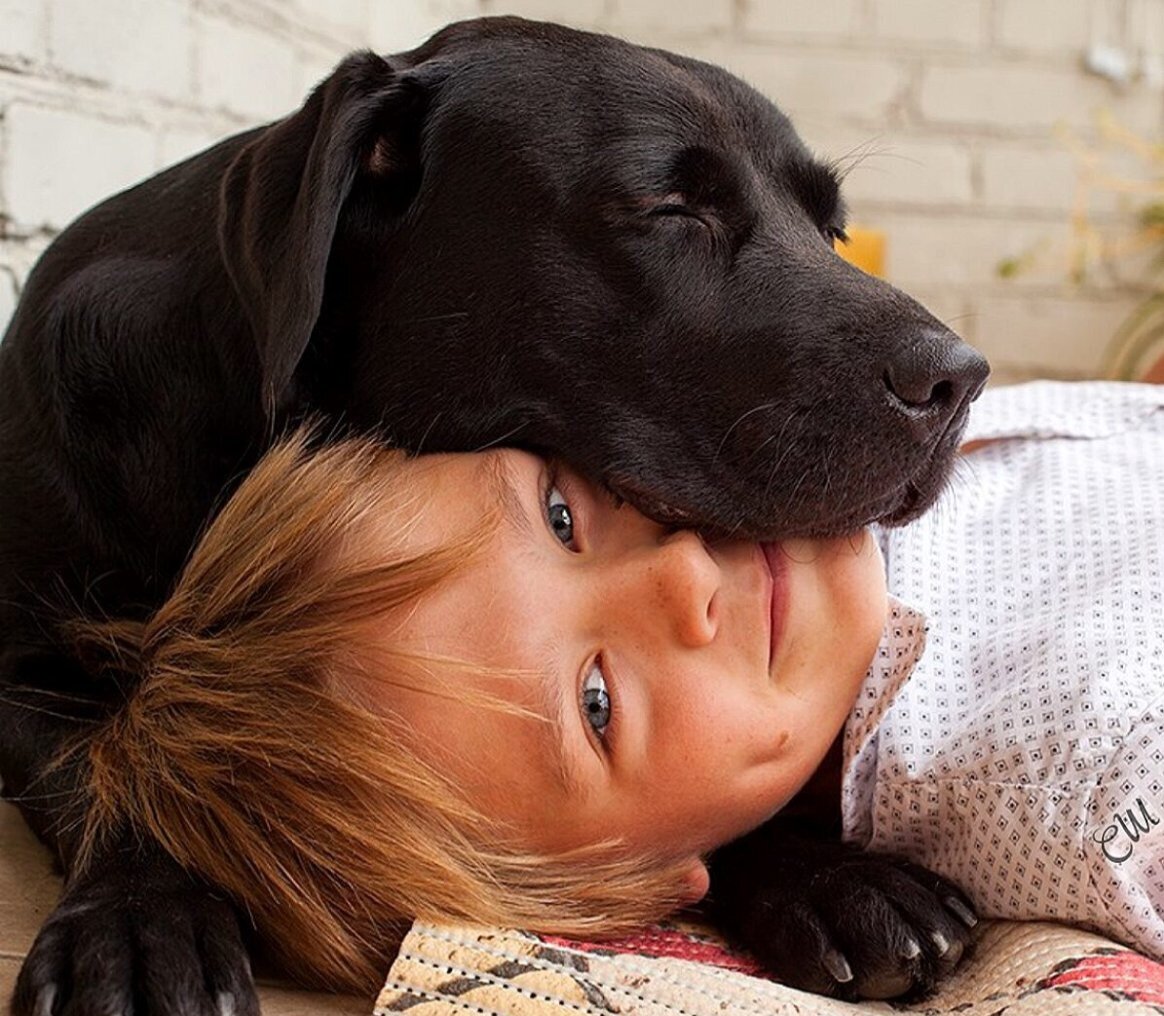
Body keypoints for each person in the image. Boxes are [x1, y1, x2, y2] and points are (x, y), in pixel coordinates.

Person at [70, 381, 1164, 996]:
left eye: (561, 516)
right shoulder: (1085, 778)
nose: (684, 568)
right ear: (647, 887)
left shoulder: (815, 423)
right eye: (597, 703)